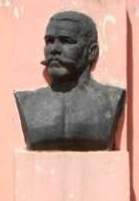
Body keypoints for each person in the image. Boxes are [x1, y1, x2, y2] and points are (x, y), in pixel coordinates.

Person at [13, 10, 126, 151]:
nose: (54, 49)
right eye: (49, 41)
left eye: (66, 41)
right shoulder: (28, 102)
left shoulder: (111, 100)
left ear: (91, 52)